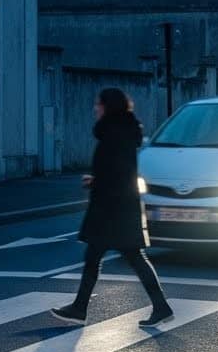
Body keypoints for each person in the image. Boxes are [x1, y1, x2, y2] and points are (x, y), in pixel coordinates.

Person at [52, 88, 173, 327]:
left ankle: (80, 308)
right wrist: (97, 180)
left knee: (105, 257)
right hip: (119, 206)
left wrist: (97, 182)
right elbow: (119, 171)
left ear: (108, 106)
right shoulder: (122, 131)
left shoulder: (113, 134)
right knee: (120, 257)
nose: (95, 108)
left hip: (112, 209)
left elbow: (118, 173)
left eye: (98, 104)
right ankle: (159, 306)